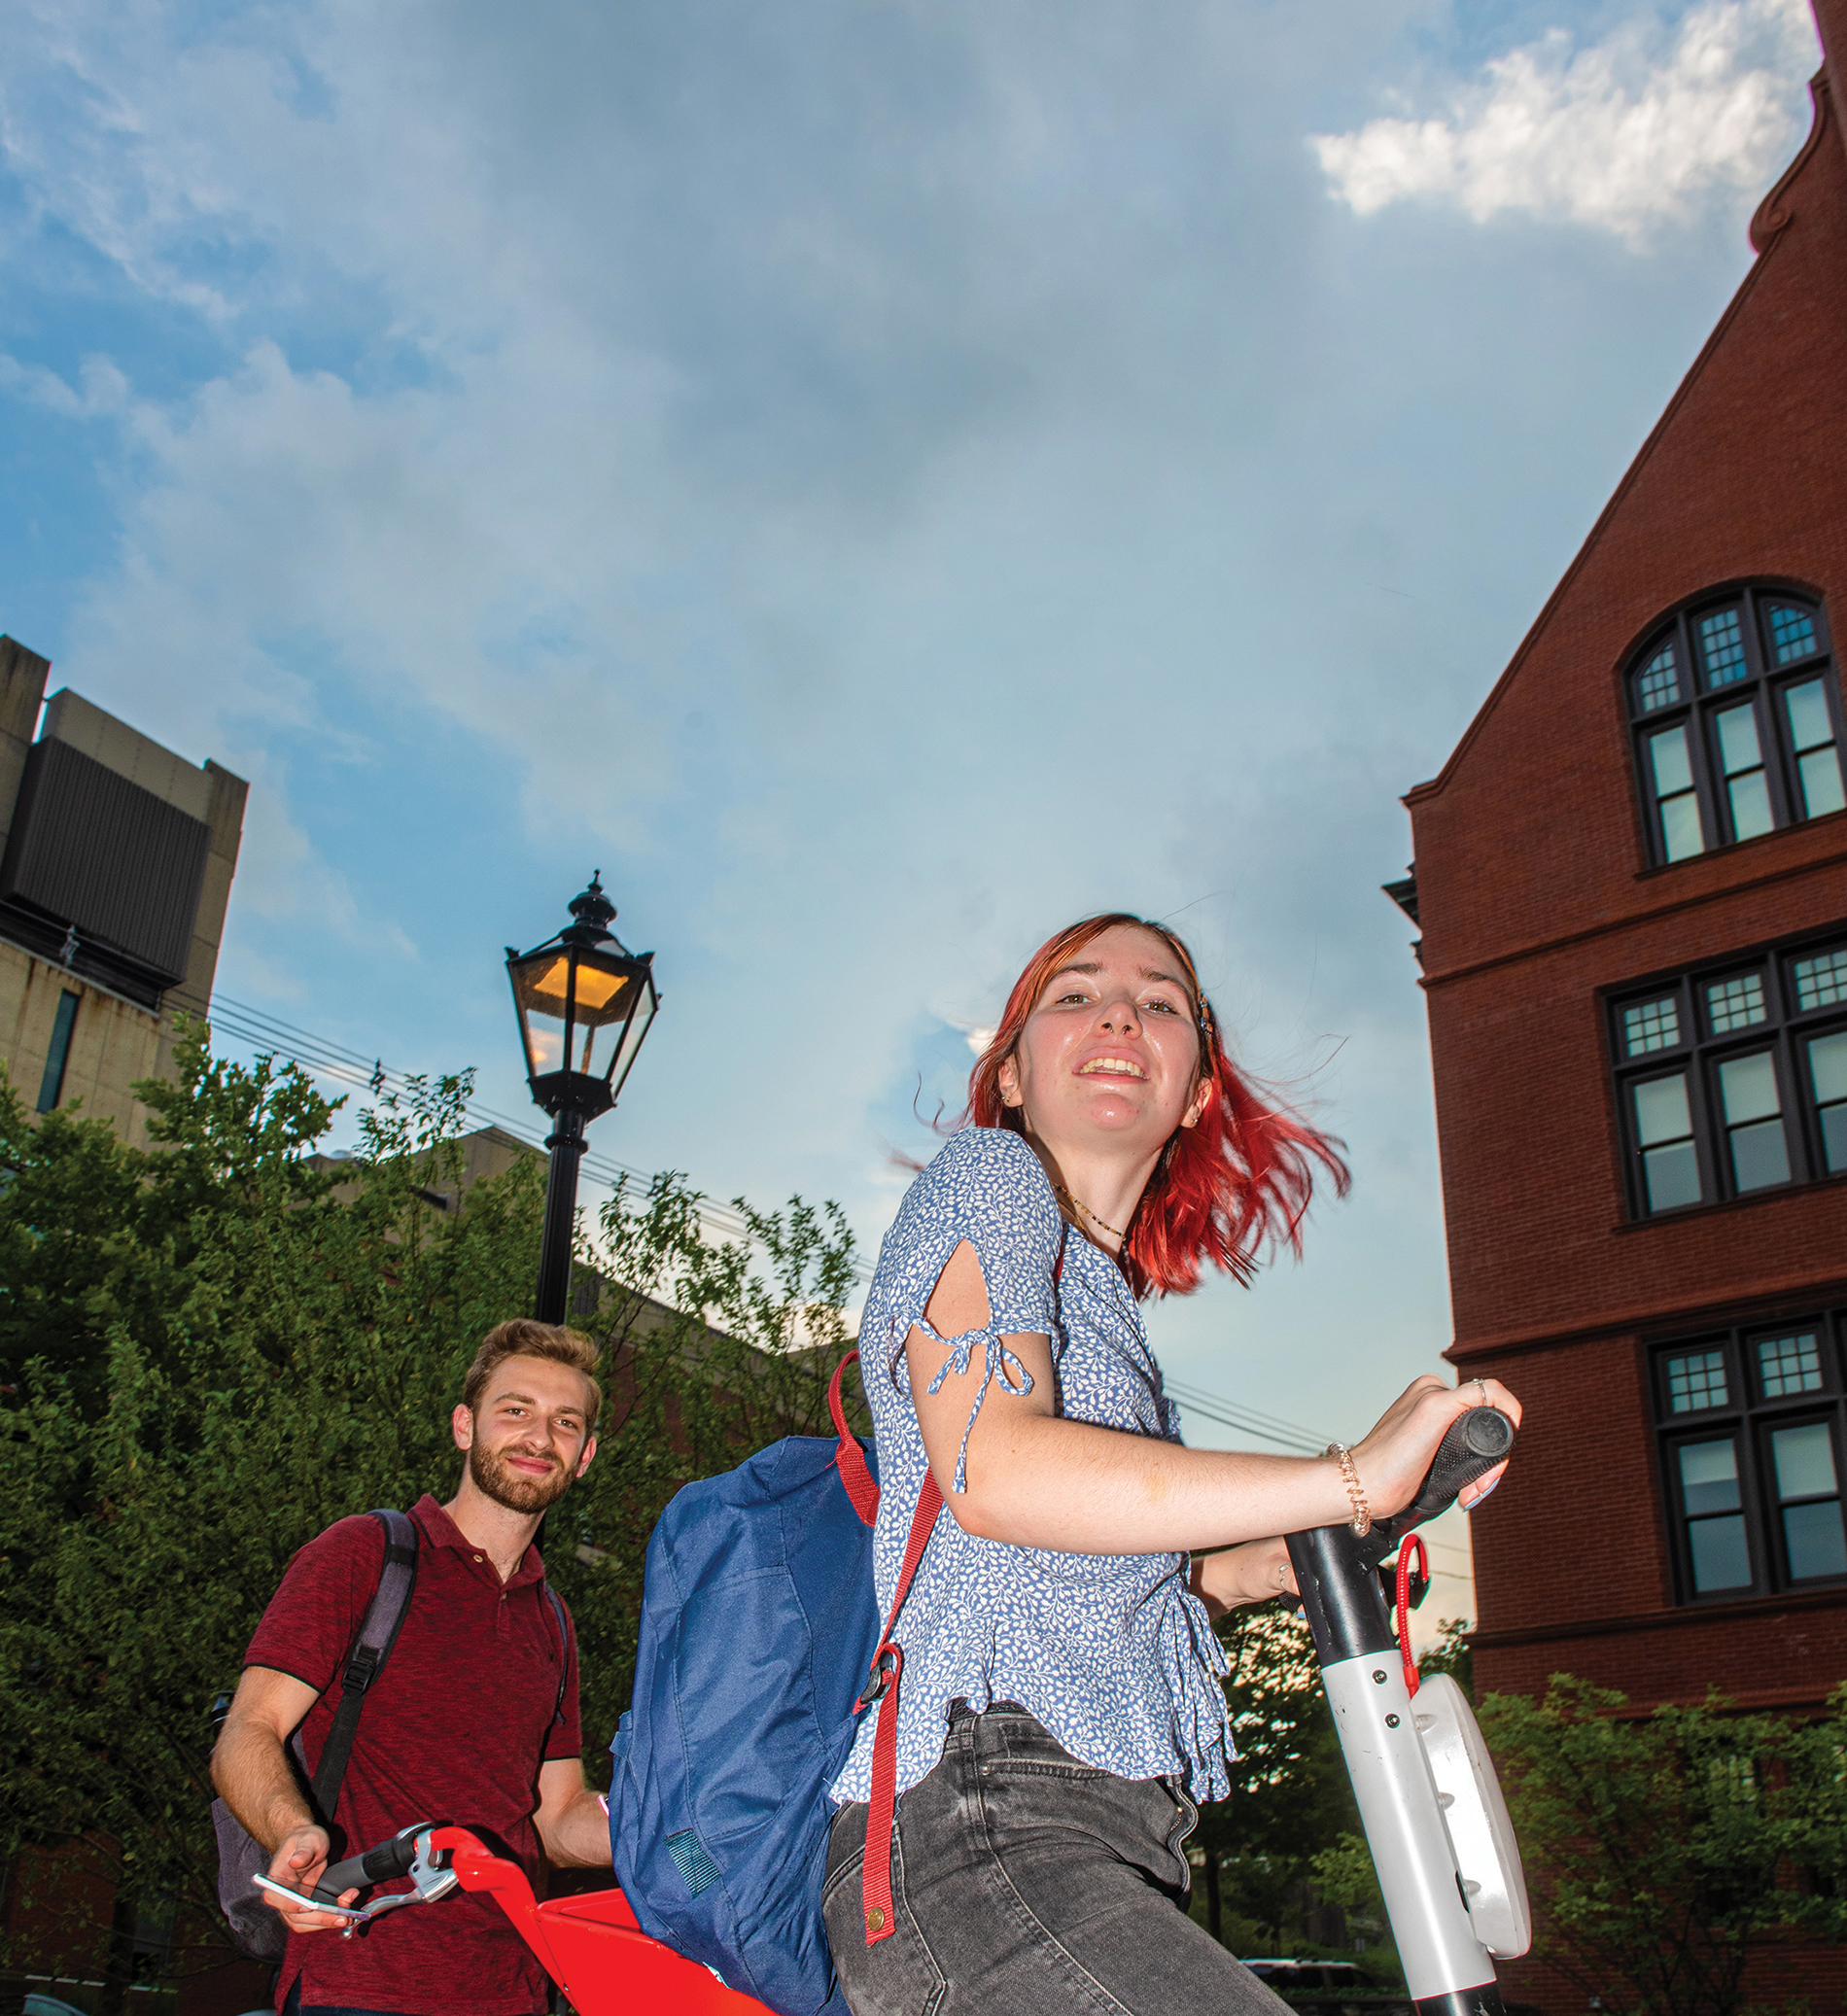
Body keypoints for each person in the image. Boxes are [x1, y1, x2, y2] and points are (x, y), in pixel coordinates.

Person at [822, 914, 1521, 2016]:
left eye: (1160, 1002)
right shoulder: (989, 1175)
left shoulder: (1103, 1304)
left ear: (1195, 1088)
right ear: (1006, 1075)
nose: (1119, 1013)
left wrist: (1257, 1565)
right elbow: (994, 1471)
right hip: (986, 1821)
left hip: (1107, 1834)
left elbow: (1080, 1565)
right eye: (1075, 994)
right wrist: (1346, 1475)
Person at [211, 1319, 614, 2016]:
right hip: (359, 1978)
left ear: (584, 1456)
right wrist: (292, 1831)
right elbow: (247, 1732)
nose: (538, 1437)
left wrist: (682, 1828)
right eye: (515, 1410)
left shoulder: (551, 1621)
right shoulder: (366, 1554)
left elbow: (557, 1819)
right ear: (465, 1426)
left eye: (565, 1422)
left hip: (513, 1993)